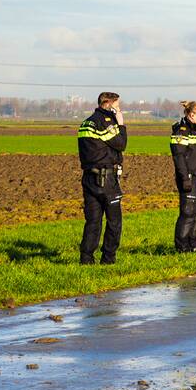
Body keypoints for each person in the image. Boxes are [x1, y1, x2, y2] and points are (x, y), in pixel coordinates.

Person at [77, 91, 127, 264]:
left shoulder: (86, 122)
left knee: (92, 221)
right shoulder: (105, 122)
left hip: (89, 178)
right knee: (114, 221)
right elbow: (121, 144)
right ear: (108, 104)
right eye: (117, 106)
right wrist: (121, 125)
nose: (119, 109)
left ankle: (86, 258)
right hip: (106, 179)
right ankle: (108, 259)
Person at [170, 101, 196, 253]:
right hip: (189, 179)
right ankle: (182, 247)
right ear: (192, 115)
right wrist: (185, 178)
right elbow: (179, 158)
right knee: (187, 214)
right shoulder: (181, 131)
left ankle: (193, 245)